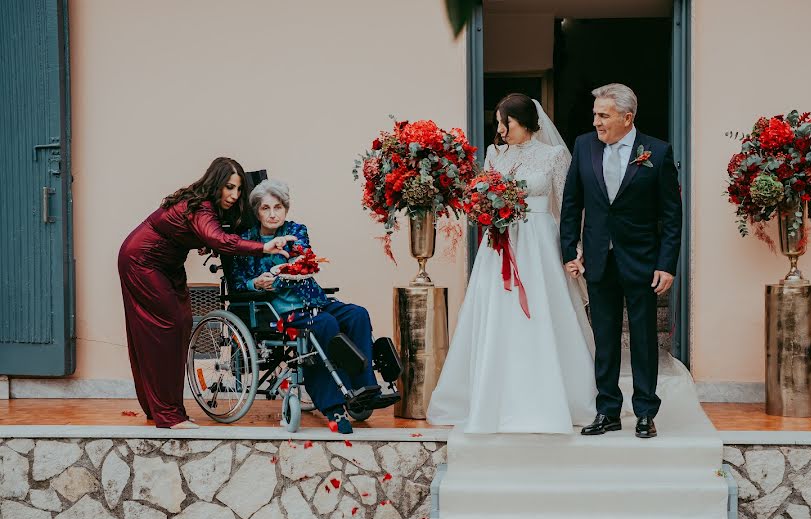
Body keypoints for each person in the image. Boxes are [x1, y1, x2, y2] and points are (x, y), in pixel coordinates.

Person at [426, 93, 600, 434]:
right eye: (500, 123)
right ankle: (495, 398)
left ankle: (556, 398)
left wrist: (574, 249)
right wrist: (485, 211)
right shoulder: (495, 155)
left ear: (527, 123)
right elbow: (479, 196)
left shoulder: (553, 156)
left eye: (508, 123)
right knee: (498, 315)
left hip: (540, 244)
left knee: (543, 312)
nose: (502, 130)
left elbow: (567, 206)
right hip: (500, 245)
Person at [118, 157, 296, 429]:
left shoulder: (205, 204)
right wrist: (262, 247)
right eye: (229, 188)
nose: (234, 195)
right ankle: (168, 415)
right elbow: (218, 238)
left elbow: (205, 235)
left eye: (238, 189)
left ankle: (161, 407)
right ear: (215, 183)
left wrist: (201, 241)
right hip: (143, 262)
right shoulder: (201, 206)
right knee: (166, 331)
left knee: (180, 326)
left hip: (169, 264)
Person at [560, 83, 683, 439]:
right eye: (595, 114)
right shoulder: (584, 147)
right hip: (598, 259)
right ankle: (607, 410)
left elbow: (671, 217)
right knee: (606, 339)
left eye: (604, 115)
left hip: (643, 261)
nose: (596, 122)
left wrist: (667, 263)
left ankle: (645, 411)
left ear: (627, 118)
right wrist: (571, 250)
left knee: (644, 339)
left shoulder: (656, 153)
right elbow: (572, 204)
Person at [228, 179, 387, 434]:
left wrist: (289, 259)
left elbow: (304, 257)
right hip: (279, 312)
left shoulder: (296, 230)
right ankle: (333, 405)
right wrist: (256, 283)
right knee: (325, 324)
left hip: (314, 301)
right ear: (256, 211)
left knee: (357, 314)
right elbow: (238, 282)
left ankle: (363, 388)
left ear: (285, 209)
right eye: (265, 208)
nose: (272, 214)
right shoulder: (245, 241)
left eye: (278, 207)